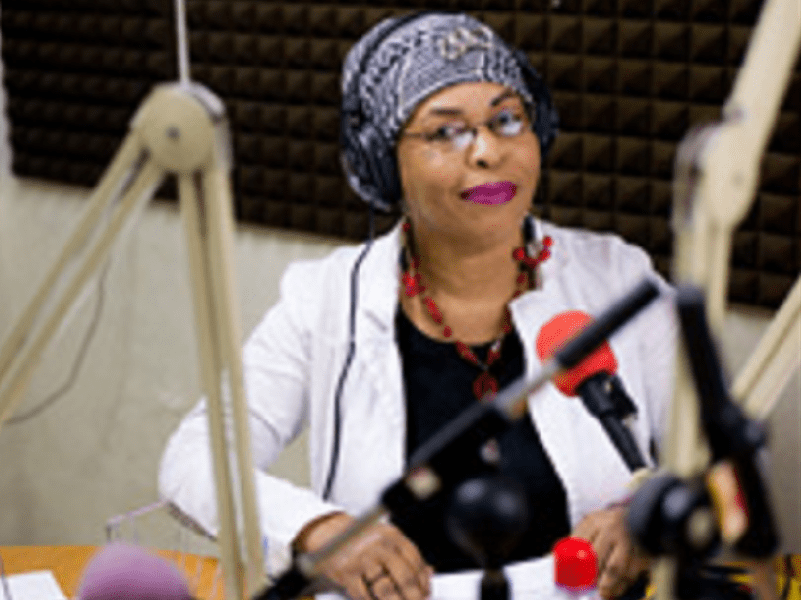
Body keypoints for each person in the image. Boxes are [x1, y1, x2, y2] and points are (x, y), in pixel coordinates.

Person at [159, 11, 676, 600]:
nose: (488, 151)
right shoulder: (324, 299)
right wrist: (319, 530)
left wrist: (646, 518)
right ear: (385, 163)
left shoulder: (616, 279)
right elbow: (192, 461)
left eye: (508, 119)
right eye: (445, 132)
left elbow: (724, 465)